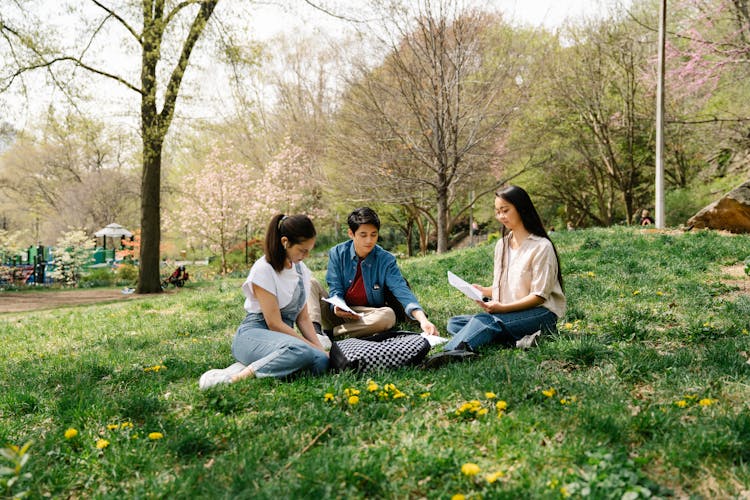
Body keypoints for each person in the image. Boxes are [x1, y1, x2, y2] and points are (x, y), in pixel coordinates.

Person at [199, 214, 328, 389]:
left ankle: (263, 364)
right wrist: (307, 346)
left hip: (284, 340)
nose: (306, 255)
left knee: (321, 362)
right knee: (301, 351)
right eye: (302, 250)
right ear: (285, 242)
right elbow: (274, 323)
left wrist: (319, 349)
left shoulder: (301, 270)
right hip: (254, 335)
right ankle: (236, 377)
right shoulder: (264, 269)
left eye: (309, 250)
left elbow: (303, 318)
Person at [443, 185, 566, 351]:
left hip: (540, 313)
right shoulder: (502, 245)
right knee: (455, 322)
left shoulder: (541, 247)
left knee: (486, 322)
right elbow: (509, 287)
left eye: (505, 210)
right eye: (497, 211)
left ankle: (450, 352)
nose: (500, 216)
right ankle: (515, 337)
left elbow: (539, 296)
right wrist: (483, 291)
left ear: (521, 208)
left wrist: (503, 309)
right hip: (509, 314)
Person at [307, 207, 438, 338]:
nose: (369, 240)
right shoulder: (337, 253)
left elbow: (402, 290)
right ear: (351, 234)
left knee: (388, 315)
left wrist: (423, 320)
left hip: (367, 316)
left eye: (373, 234)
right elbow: (335, 288)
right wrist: (337, 306)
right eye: (363, 235)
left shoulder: (386, 259)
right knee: (310, 282)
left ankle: (331, 334)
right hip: (338, 313)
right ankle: (316, 332)